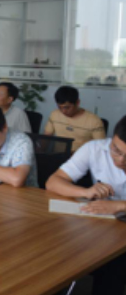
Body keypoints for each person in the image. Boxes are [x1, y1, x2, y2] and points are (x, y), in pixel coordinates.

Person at [46, 115, 126, 295]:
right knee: (59, 249)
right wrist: (85, 192)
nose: (121, 160)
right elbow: (53, 182)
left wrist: (120, 205)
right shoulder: (94, 149)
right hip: (102, 225)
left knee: (114, 265)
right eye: (116, 150)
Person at [44, 86, 105, 152]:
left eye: (67, 107)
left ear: (77, 103)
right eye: (60, 107)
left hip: (82, 157)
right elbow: (46, 138)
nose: (63, 111)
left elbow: (101, 147)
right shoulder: (54, 115)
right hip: (59, 155)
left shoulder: (94, 121)